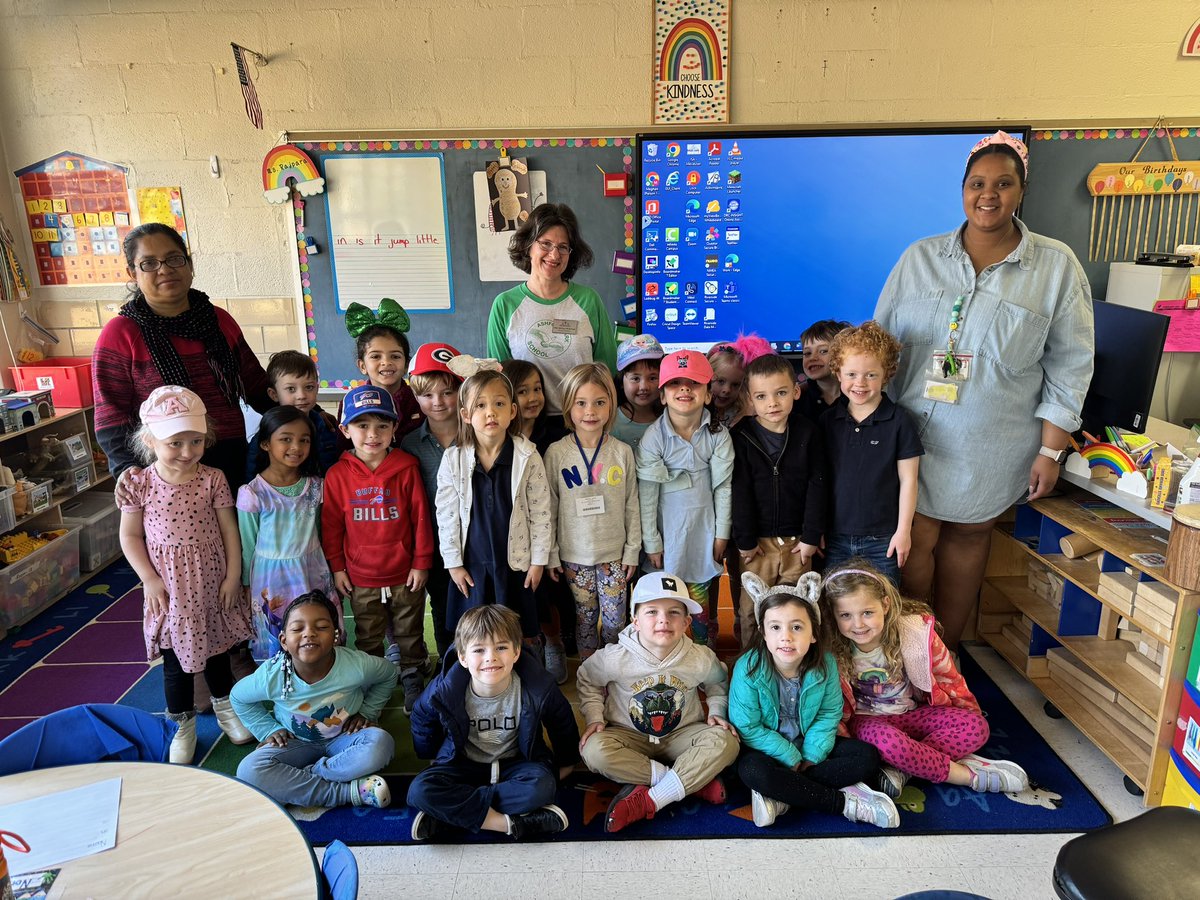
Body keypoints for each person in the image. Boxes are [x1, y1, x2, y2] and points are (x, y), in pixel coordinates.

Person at [874, 130, 1094, 647]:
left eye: (1003, 183)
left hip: (992, 443)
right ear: (963, 189)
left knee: (971, 537)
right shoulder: (920, 258)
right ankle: (909, 656)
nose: (988, 194)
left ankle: (947, 660)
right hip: (914, 439)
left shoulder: (1056, 267)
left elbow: (1071, 365)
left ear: (1021, 190)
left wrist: (1050, 451)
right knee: (918, 537)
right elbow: (879, 343)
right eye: (977, 183)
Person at [117, 386, 253, 764]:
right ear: (150, 440)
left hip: (211, 580)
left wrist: (232, 577)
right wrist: (149, 578)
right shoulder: (139, 484)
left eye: (196, 441)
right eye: (175, 442)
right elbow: (129, 536)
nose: (188, 451)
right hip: (169, 589)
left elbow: (229, 530)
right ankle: (182, 725)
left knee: (219, 653)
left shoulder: (213, 478)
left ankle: (226, 709)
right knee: (175, 664)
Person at [822, 561, 1029, 798]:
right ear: (834, 615)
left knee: (977, 726)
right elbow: (827, 704)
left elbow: (948, 675)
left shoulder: (915, 635)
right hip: (868, 723)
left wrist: (966, 710)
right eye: (846, 615)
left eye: (867, 613)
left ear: (886, 604)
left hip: (912, 714)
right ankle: (965, 776)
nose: (858, 624)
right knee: (892, 745)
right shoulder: (831, 650)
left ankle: (903, 769)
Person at [93, 223, 271, 491]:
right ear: (133, 273)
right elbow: (110, 415)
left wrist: (305, 415)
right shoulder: (121, 334)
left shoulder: (219, 321)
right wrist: (127, 469)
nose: (164, 269)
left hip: (231, 465)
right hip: (165, 477)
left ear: (189, 264)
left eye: (174, 259)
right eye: (149, 263)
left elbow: (257, 387)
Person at [730, 571, 898, 829]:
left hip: (808, 743)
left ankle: (784, 797)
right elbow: (747, 727)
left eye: (796, 627)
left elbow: (829, 713)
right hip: (767, 749)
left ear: (813, 634)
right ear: (763, 633)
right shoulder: (748, 667)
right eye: (775, 627)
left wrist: (811, 754)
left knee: (866, 757)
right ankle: (843, 803)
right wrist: (789, 755)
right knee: (753, 772)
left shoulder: (825, 664)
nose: (786, 636)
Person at [576, 572, 740, 834]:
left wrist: (717, 710)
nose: (664, 619)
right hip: (627, 734)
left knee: (726, 741)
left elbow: (717, 682)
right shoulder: (614, 657)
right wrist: (595, 717)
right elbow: (587, 679)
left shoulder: (699, 658)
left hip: (681, 734)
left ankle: (650, 797)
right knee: (593, 751)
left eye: (674, 612)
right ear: (635, 620)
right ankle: (687, 781)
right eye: (652, 611)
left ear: (687, 622)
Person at [407, 605, 579, 841]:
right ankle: (513, 824)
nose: (491, 657)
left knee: (543, 786)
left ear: (516, 652)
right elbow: (421, 717)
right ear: (463, 657)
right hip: (463, 764)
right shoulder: (444, 689)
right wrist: (430, 754)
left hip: (517, 762)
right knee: (419, 791)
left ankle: (451, 815)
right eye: (479, 649)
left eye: (501, 647)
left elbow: (562, 720)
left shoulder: (539, 686)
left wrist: (567, 760)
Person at [321, 384, 433, 714]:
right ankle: (372, 680)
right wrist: (338, 567)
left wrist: (421, 562)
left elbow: (421, 519)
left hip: (404, 572)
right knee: (368, 635)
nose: (373, 434)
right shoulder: (337, 475)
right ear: (345, 429)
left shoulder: (407, 467)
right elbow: (332, 527)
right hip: (360, 575)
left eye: (382, 425)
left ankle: (412, 673)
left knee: (409, 629)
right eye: (362, 425)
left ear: (395, 428)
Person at [232, 591, 396, 809]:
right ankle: (348, 793)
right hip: (295, 743)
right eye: (298, 628)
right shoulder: (272, 676)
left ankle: (303, 779)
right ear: (283, 640)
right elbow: (238, 698)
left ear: (336, 636)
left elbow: (389, 674)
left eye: (321, 627)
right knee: (248, 770)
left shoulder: (356, 666)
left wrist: (367, 712)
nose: (309, 634)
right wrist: (268, 730)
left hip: (346, 738)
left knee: (381, 744)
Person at [435, 359, 552, 648]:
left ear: (513, 411)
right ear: (465, 414)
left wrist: (538, 561)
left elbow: (541, 513)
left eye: (499, 404)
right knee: (474, 631)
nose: (491, 413)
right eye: (480, 406)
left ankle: (522, 682)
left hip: (515, 564)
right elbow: (447, 515)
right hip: (473, 566)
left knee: (517, 632)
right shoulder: (453, 459)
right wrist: (453, 564)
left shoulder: (528, 456)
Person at [487, 203, 618, 432]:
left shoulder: (589, 300)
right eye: (545, 244)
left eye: (563, 247)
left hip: (583, 422)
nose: (554, 254)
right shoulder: (505, 305)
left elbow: (606, 367)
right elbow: (500, 376)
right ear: (528, 246)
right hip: (525, 425)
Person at [545, 364, 641, 664]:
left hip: (614, 555)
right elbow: (548, 507)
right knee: (585, 620)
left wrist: (632, 551)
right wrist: (551, 554)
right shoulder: (556, 453)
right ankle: (589, 673)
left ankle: (614, 670)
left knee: (615, 621)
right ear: (568, 406)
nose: (591, 411)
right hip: (575, 557)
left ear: (611, 404)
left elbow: (631, 503)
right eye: (581, 403)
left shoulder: (622, 452)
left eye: (600, 402)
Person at [636, 350, 733, 647]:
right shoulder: (654, 438)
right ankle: (666, 653)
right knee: (667, 602)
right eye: (675, 383)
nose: (685, 389)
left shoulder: (718, 435)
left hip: (703, 533)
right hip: (668, 537)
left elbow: (723, 487)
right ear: (662, 395)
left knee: (701, 604)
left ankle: (704, 654)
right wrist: (652, 541)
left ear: (707, 394)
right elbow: (648, 495)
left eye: (694, 383)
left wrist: (721, 534)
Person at [731, 352, 828, 646]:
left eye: (781, 393)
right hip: (757, 546)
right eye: (761, 396)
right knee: (752, 609)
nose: (772, 403)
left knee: (796, 609)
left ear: (796, 392)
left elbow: (818, 486)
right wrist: (745, 540)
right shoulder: (740, 436)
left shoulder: (808, 432)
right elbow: (739, 491)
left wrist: (811, 536)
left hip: (798, 543)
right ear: (749, 399)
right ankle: (751, 667)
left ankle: (795, 667)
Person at [820, 321, 924, 587]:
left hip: (884, 541)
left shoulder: (899, 421)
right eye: (852, 374)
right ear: (838, 373)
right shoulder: (827, 421)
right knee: (834, 608)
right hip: (835, 538)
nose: (860, 383)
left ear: (886, 374)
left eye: (871, 375)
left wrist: (903, 531)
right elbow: (818, 480)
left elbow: (909, 481)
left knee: (884, 606)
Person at [238, 406, 336, 663]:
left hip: (312, 569)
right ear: (265, 444)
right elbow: (248, 546)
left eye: (304, 440)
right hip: (271, 578)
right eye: (286, 439)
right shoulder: (253, 493)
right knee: (280, 633)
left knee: (316, 627)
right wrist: (247, 586)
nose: (296, 446)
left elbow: (321, 531)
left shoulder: (316, 486)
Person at [401, 342, 463, 661]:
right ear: (415, 396)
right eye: (427, 395)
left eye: (446, 392)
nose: (438, 402)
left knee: (479, 606)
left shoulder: (480, 434)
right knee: (441, 606)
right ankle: (449, 665)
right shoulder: (410, 444)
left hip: (475, 542)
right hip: (435, 545)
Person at [244, 350, 341, 481]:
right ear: (274, 394)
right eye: (291, 389)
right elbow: (252, 477)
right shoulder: (266, 434)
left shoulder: (329, 428)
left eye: (309, 387)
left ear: (317, 389)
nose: (301, 395)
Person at [341, 297, 424, 442]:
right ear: (362, 366)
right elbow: (343, 448)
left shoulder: (419, 400)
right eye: (375, 356)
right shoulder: (350, 403)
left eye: (395, 356)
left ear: (407, 365)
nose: (386, 362)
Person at [611, 333, 664, 454]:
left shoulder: (669, 417)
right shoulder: (611, 421)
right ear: (621, 381)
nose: (644, 387)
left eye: (652, 378)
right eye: (635, 379)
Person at [706, 335, 770, 429]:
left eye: (735, 385)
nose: (727, 390)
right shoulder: (699, 412)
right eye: (720, 381)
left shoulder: (744, 413)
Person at [795, 319, 851, 424]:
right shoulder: (797, 399)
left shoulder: (856, 395)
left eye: (823, 351)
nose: (813, 358)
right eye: (807, 353)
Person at [500, 358, 553, 454]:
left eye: (537, 389)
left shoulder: (555, 438)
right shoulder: (497, 438)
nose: (533, 398)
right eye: (522, 391)